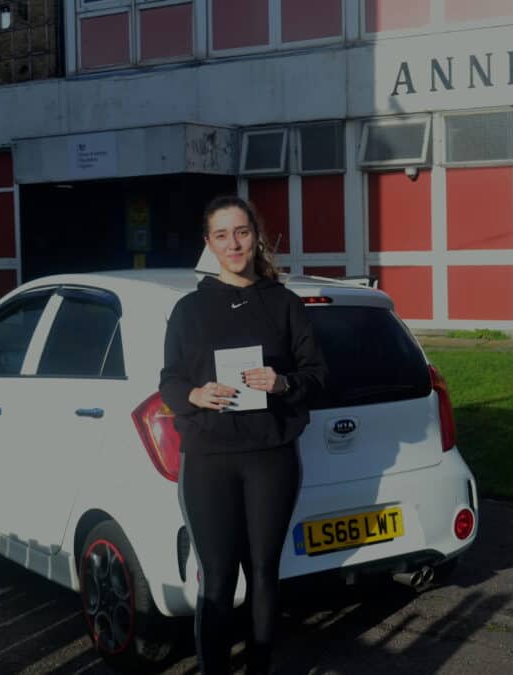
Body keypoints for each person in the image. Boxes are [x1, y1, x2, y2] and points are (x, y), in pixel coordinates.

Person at [159, 195, 328, 674]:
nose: (233, 244)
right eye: (221, 235)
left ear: (256, 236)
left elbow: (317, 375)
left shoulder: (284, 303)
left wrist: (284, 382)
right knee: (215, 580)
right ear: (209, 244)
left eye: (241, 232)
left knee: (262, 574)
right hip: (209, 458)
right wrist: (193, 395)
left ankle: (259, 669)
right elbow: (169, 378)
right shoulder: (188, 310)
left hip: (270, 455)